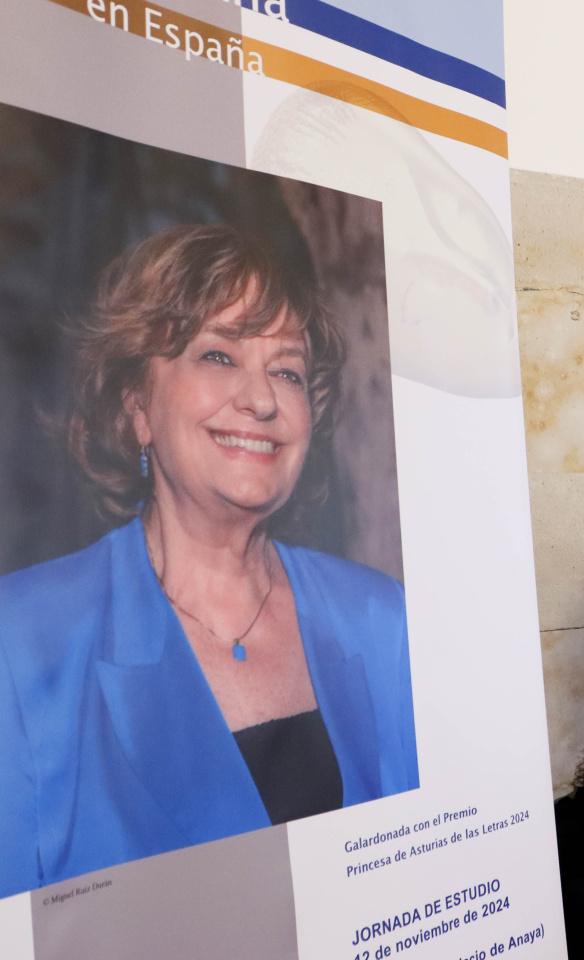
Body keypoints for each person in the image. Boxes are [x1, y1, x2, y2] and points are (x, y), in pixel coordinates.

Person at [0, 225, 417, 899]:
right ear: (137, 406)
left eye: (287, 370)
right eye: (219, 356)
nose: (260, 399)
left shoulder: (381, 617)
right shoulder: (20, 643)